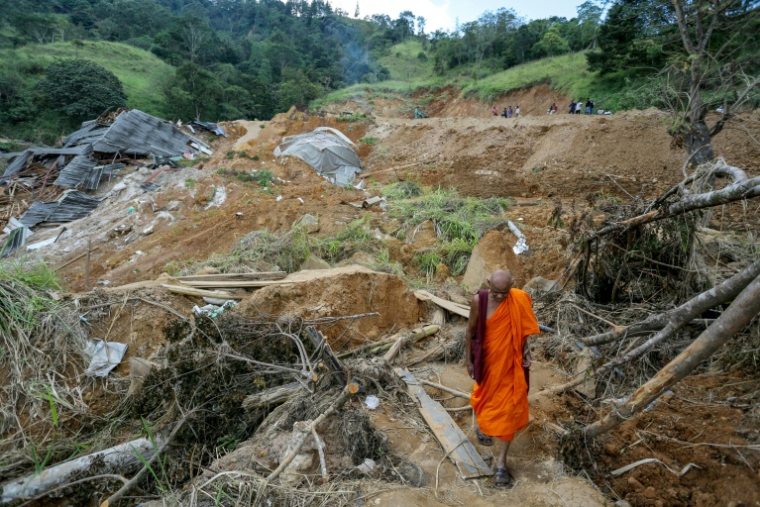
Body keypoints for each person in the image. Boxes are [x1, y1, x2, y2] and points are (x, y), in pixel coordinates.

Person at [465, 270, 540, 487]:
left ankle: (500, 463)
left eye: (503, 293)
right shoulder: (479, 301)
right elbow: (470, 332)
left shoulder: (517, 298)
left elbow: (521, 330)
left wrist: (525, 350)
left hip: (511, 365)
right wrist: (469, 361)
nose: (499, 297)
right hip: (488, 363)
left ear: (512, 286)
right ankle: (483, 423)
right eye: (496, 292)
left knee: (509, 408)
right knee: (485, 398)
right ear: (488, 284)